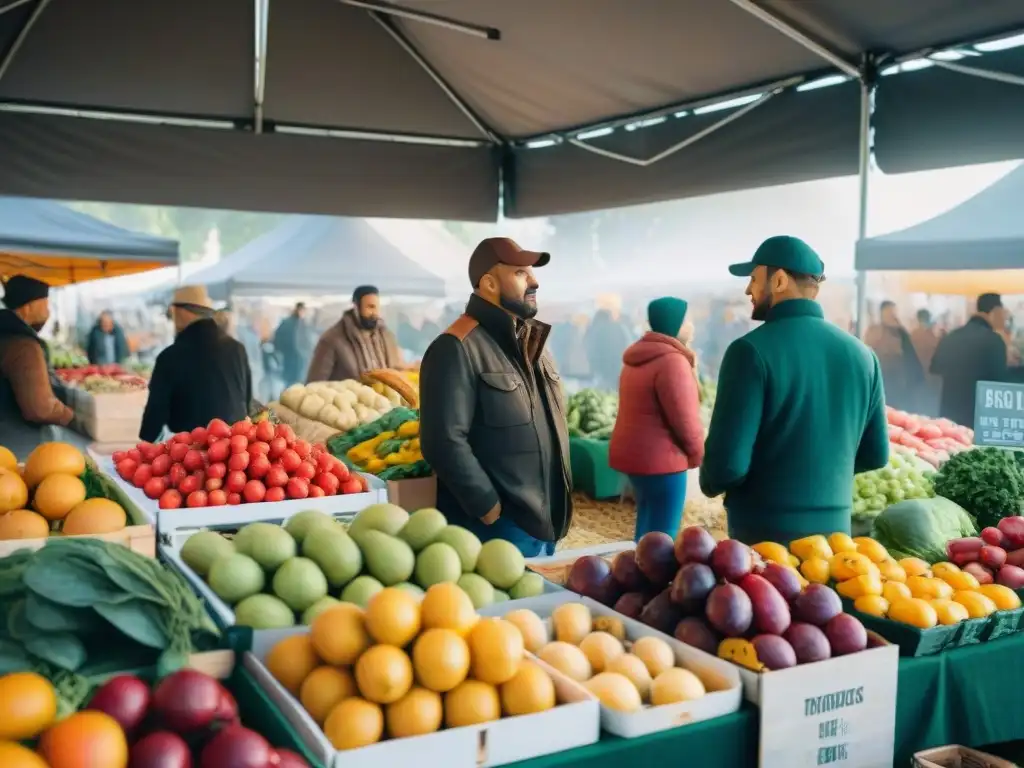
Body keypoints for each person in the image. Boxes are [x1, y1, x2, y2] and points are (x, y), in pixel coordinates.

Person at [699, 236, 889, 544]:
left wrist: (709, 480)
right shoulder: (863, 355)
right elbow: (876, 454)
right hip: (835, 543)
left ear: (779, 280)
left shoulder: (749, 351)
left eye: (753, 278)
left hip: (763, 538)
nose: (748, 290)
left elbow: (727, 466)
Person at [419, 238, 572, 557]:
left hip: (544, 525)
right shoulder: (455, 347)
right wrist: (487, 506)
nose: (534, 281)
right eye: (520, 273)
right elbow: (443, 441)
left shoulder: (534, 342)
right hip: (497, 530)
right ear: (488, 283)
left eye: (531, 273)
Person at [610, 297, 704, 541]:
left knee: (647, 528)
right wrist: (697, 456)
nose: (692, 325)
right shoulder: (673, 362)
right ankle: (652, 578)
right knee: (664, 536)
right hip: (664, 463)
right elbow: (686, 421)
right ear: (676, 324)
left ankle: (637, 573)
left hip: (637, 461)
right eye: (688, 320)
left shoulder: (636, 359)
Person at [140, 286, 252, 442]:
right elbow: (247, 401)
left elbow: (155, 414)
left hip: (191, 455)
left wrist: (145, 443)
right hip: (235, 450)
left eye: (173, 313)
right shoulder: (237, 349)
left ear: (181, 312)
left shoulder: (170, 357)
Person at [0, 276, 88, 458]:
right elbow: (40, 408)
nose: (49, 313)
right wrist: (72, 417)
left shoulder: (5, 334)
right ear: (28, 306)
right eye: (45, 305)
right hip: (17, 447)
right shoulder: (23, 346)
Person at [931, 294, 1020, 428]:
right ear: (995, 311)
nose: (1004, 318)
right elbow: (1000, 383)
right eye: (1002, 313)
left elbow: (935, 370)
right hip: (977, 418)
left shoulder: (951, 336)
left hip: (949, 417)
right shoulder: (993, 340)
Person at [306, 286, 403, 383]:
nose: (375, 313)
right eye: (370, 307)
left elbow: (396, 371)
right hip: (348, 397)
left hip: (384, 398)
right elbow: (314, 385)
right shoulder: (332, 339)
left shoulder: (386, 336)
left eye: (377, 308)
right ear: (356, 307)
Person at [863, 300, 924, 411]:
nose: (893, 315)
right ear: (882, 314)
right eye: (889, 312)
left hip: (899, 384)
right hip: (881, 380)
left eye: (894, 312)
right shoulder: (874, 332)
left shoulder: (901, 333)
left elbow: (910, 357)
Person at [584, 295, 631, 391]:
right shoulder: (619, 328)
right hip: (618, 366)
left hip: (601, 369)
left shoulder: (593, 330)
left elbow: (589, 349)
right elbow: (627, 344)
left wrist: (594, 366)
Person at [273, 302, 315, 387]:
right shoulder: (297, 324)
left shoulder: (290, 323)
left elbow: (277, 340)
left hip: (293, 358)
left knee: (292, 383)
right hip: (293, 358)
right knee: (293, 383)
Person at [911, 309, 942, 416]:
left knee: (919, 409)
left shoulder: (913, 335)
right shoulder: (933, 335)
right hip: (932, 378)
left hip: (918, 378)